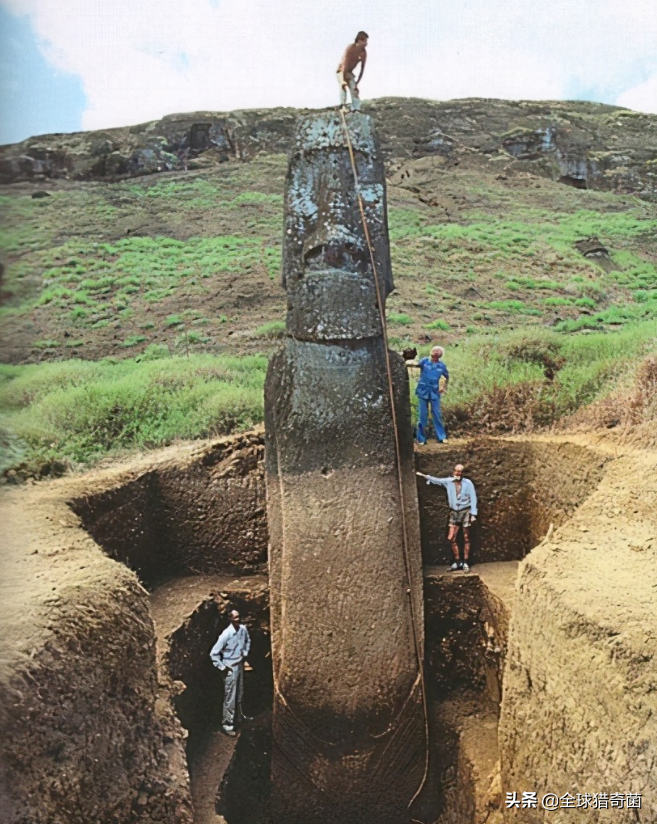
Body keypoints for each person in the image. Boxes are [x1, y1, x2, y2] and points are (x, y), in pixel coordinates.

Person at [416, 464, 477, 572]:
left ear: (463, 473)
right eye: (456, 471)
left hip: (465, 512)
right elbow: (437, 480)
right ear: (453, 471)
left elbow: (473, 498)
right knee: (451, 538)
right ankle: (457, 561)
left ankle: (466, 562)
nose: (458, 473)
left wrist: (473, 514)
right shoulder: (449, 481)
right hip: (454, 512)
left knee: (466, 537)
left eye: (460, 472)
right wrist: (424, 476)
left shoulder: (468, 483)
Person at [210, 609, 251, 736]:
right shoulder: (226, 634)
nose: (238, 620)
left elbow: (247, 641)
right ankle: (227, 725)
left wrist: (244, 654)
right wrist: (222, 667)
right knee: (230, 697)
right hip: (230, 667)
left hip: (239, 665)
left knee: (240, 693)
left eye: (239, 617)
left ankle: (239, 717)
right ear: (230, 619)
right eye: (235, 618)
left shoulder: (243, 629)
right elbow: (214, 654)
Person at [406, 346, 449, 444]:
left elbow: (446, 376)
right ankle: (421, 439)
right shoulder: (425, 361)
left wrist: (444, 387)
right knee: (422, 416)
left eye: (438, 354)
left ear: (440, 356)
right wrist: (405, 361)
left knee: (437, 415)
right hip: (423, 391)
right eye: (434, 353)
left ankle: (442, 437)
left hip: (435, 393)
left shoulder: (442, 366)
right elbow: (415, 364)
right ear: (431, 353)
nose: (435, 355)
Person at [336, 31, 368, 112]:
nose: (366, 43)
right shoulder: (350, 48)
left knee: (353, 89)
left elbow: (362, 69)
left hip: (349, 72)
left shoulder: (363, 52)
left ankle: (356, 107)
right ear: (359, 40)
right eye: (364, 40)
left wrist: (357, 83)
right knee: (343, 86)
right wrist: (343, 80)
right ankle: (342, 105)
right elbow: (344, 65)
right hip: (341, 70)